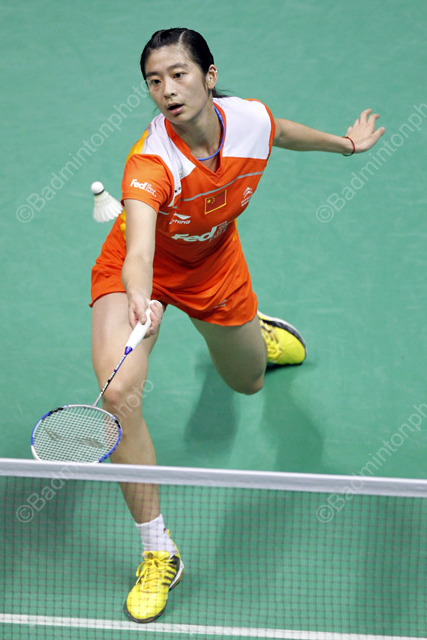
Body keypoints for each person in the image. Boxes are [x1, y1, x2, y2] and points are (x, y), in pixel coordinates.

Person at [90, 28, 385, 623]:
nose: (167, 91)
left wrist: (345, 147)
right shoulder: (150, 163)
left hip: (215, 268)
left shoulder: (247, 121)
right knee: (118, 393)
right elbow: (140, 248)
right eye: (154, 81)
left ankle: (259, 335)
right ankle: (158, 551)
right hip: (139, 274)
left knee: (246, 383)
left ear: (209, 76)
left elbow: (282, 132)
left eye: (178, 74)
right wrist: (141, 296)